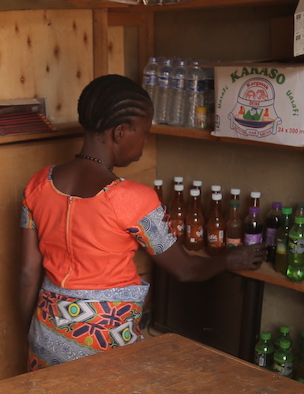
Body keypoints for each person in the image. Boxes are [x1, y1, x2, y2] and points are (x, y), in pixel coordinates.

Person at [19, 74, 265, 369]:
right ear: (121, 132)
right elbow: (187, 270)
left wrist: (32, 332)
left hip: (46, 329)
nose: (145, 141)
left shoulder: (37, 184)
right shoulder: (132, 198)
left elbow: (28, 271)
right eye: (144, 133)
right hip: (102, 339)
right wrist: (229, 259)